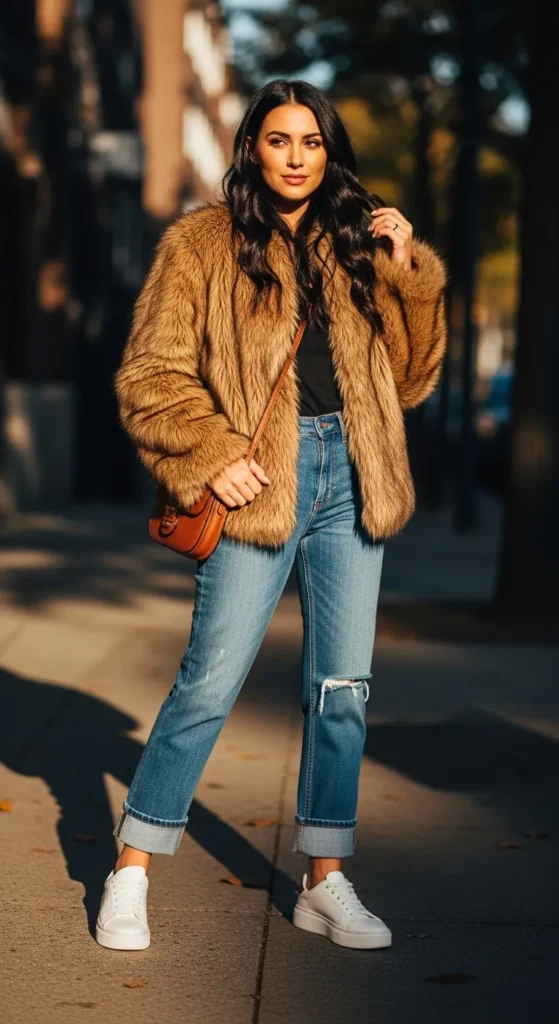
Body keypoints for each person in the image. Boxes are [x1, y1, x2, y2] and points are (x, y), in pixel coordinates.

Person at [95, 79, 447, 952]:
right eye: (280, 140)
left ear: (330, 154)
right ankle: (131, 868)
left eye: (312, 143)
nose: (296, 157)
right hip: (258, 485)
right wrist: (216, 457)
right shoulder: (202, 244)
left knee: (342, 691)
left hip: (352, 482)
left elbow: (408, 383)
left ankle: (323, 881)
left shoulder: (354, 244)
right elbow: (150, 377)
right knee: (209, 680)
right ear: (254, 146)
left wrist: (409, 276)